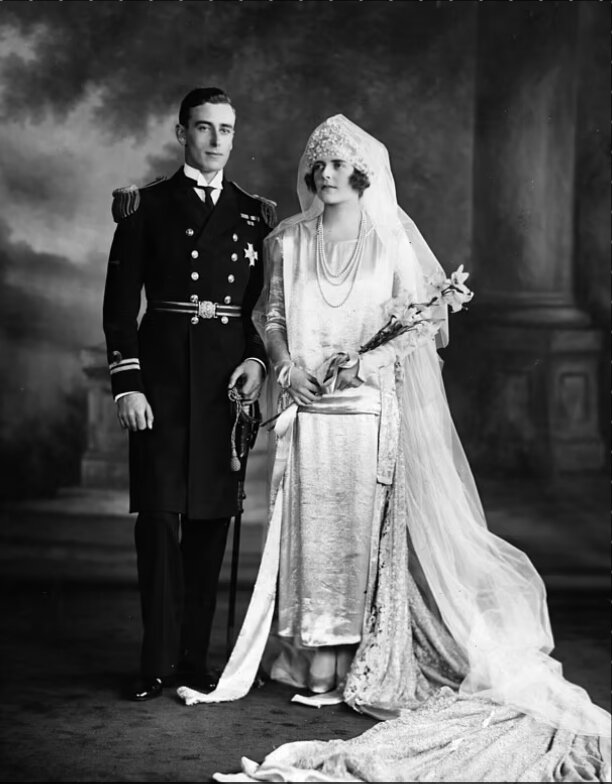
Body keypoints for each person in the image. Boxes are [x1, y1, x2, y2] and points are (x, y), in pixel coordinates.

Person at [178, 116, 610, 781]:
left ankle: (357, 662)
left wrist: (364, 364)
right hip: (307, 408)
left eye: (338, 166)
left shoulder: (389, 243)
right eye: (319, 165)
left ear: (363, 175)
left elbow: (419, 327)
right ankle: (309, 661)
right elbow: (274, 317)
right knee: (307, 534)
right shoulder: (286, 241)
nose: (325, 175)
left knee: (360, 535)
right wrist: (286, 365)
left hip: (367, 411)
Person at [102, 87, 276, 702]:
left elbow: (259, 311)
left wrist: (256, 360)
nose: (216, 140)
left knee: (209, 525)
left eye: (226, 129)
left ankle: (193, 661)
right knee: (158, 522)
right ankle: (155, 662)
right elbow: (120, 308)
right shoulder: (145, 206)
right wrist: (128, 383)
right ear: (182, 133)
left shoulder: (256, 214)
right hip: (161, 384)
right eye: (204, 127)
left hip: (222, 391)